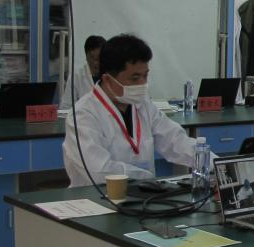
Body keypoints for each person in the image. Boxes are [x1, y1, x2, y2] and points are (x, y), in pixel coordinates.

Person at [63, 34, 197, 187]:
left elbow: (175, 140)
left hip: (143, 194)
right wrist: (144, 176)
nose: (142, 83)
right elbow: (99, 170)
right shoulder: (83, 115)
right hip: (97, 198)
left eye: (145, 76)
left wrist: (211, 161)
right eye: (135, 78)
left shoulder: (143, 104)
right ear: (108, 79)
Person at [59, 35, 105, 111]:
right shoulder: (76, 77)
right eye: (92, 57)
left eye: (99, 58)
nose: (95, 62)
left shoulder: (112, 76)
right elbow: (65, 108)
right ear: (86, 57)